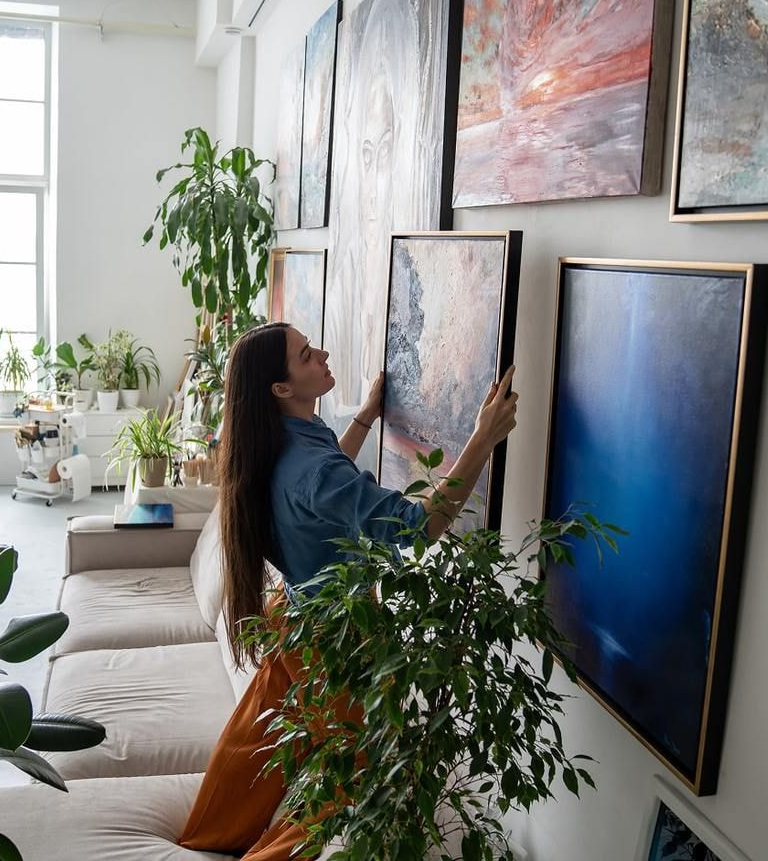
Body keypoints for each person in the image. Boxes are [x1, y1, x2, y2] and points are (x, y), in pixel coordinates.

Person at [178, 322, 518, 861]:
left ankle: (203, 840)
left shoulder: (278, 438)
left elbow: (324, 480)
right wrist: (484, 435)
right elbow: (418, 527)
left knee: (257, 749)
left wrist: (364, 415)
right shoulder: (309, 468)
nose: (324, 353)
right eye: (307, 355)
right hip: (333, 644)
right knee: (339, 790)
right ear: (281, 388)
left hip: (295, 618)